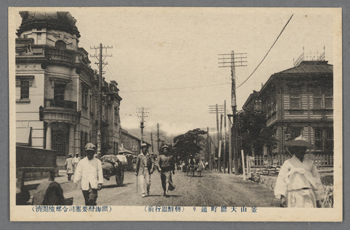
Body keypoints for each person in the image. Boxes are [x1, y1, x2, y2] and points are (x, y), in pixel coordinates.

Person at [274, 135, 325, 208]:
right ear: (295, 149)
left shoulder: (310, 163)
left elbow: (316, 180)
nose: (302, 151)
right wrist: (282, 196)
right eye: (299, 148)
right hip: (294, 195)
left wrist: (318, 198)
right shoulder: (288, 163)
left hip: (308, 195)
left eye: (304, 149)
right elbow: (281, 179)